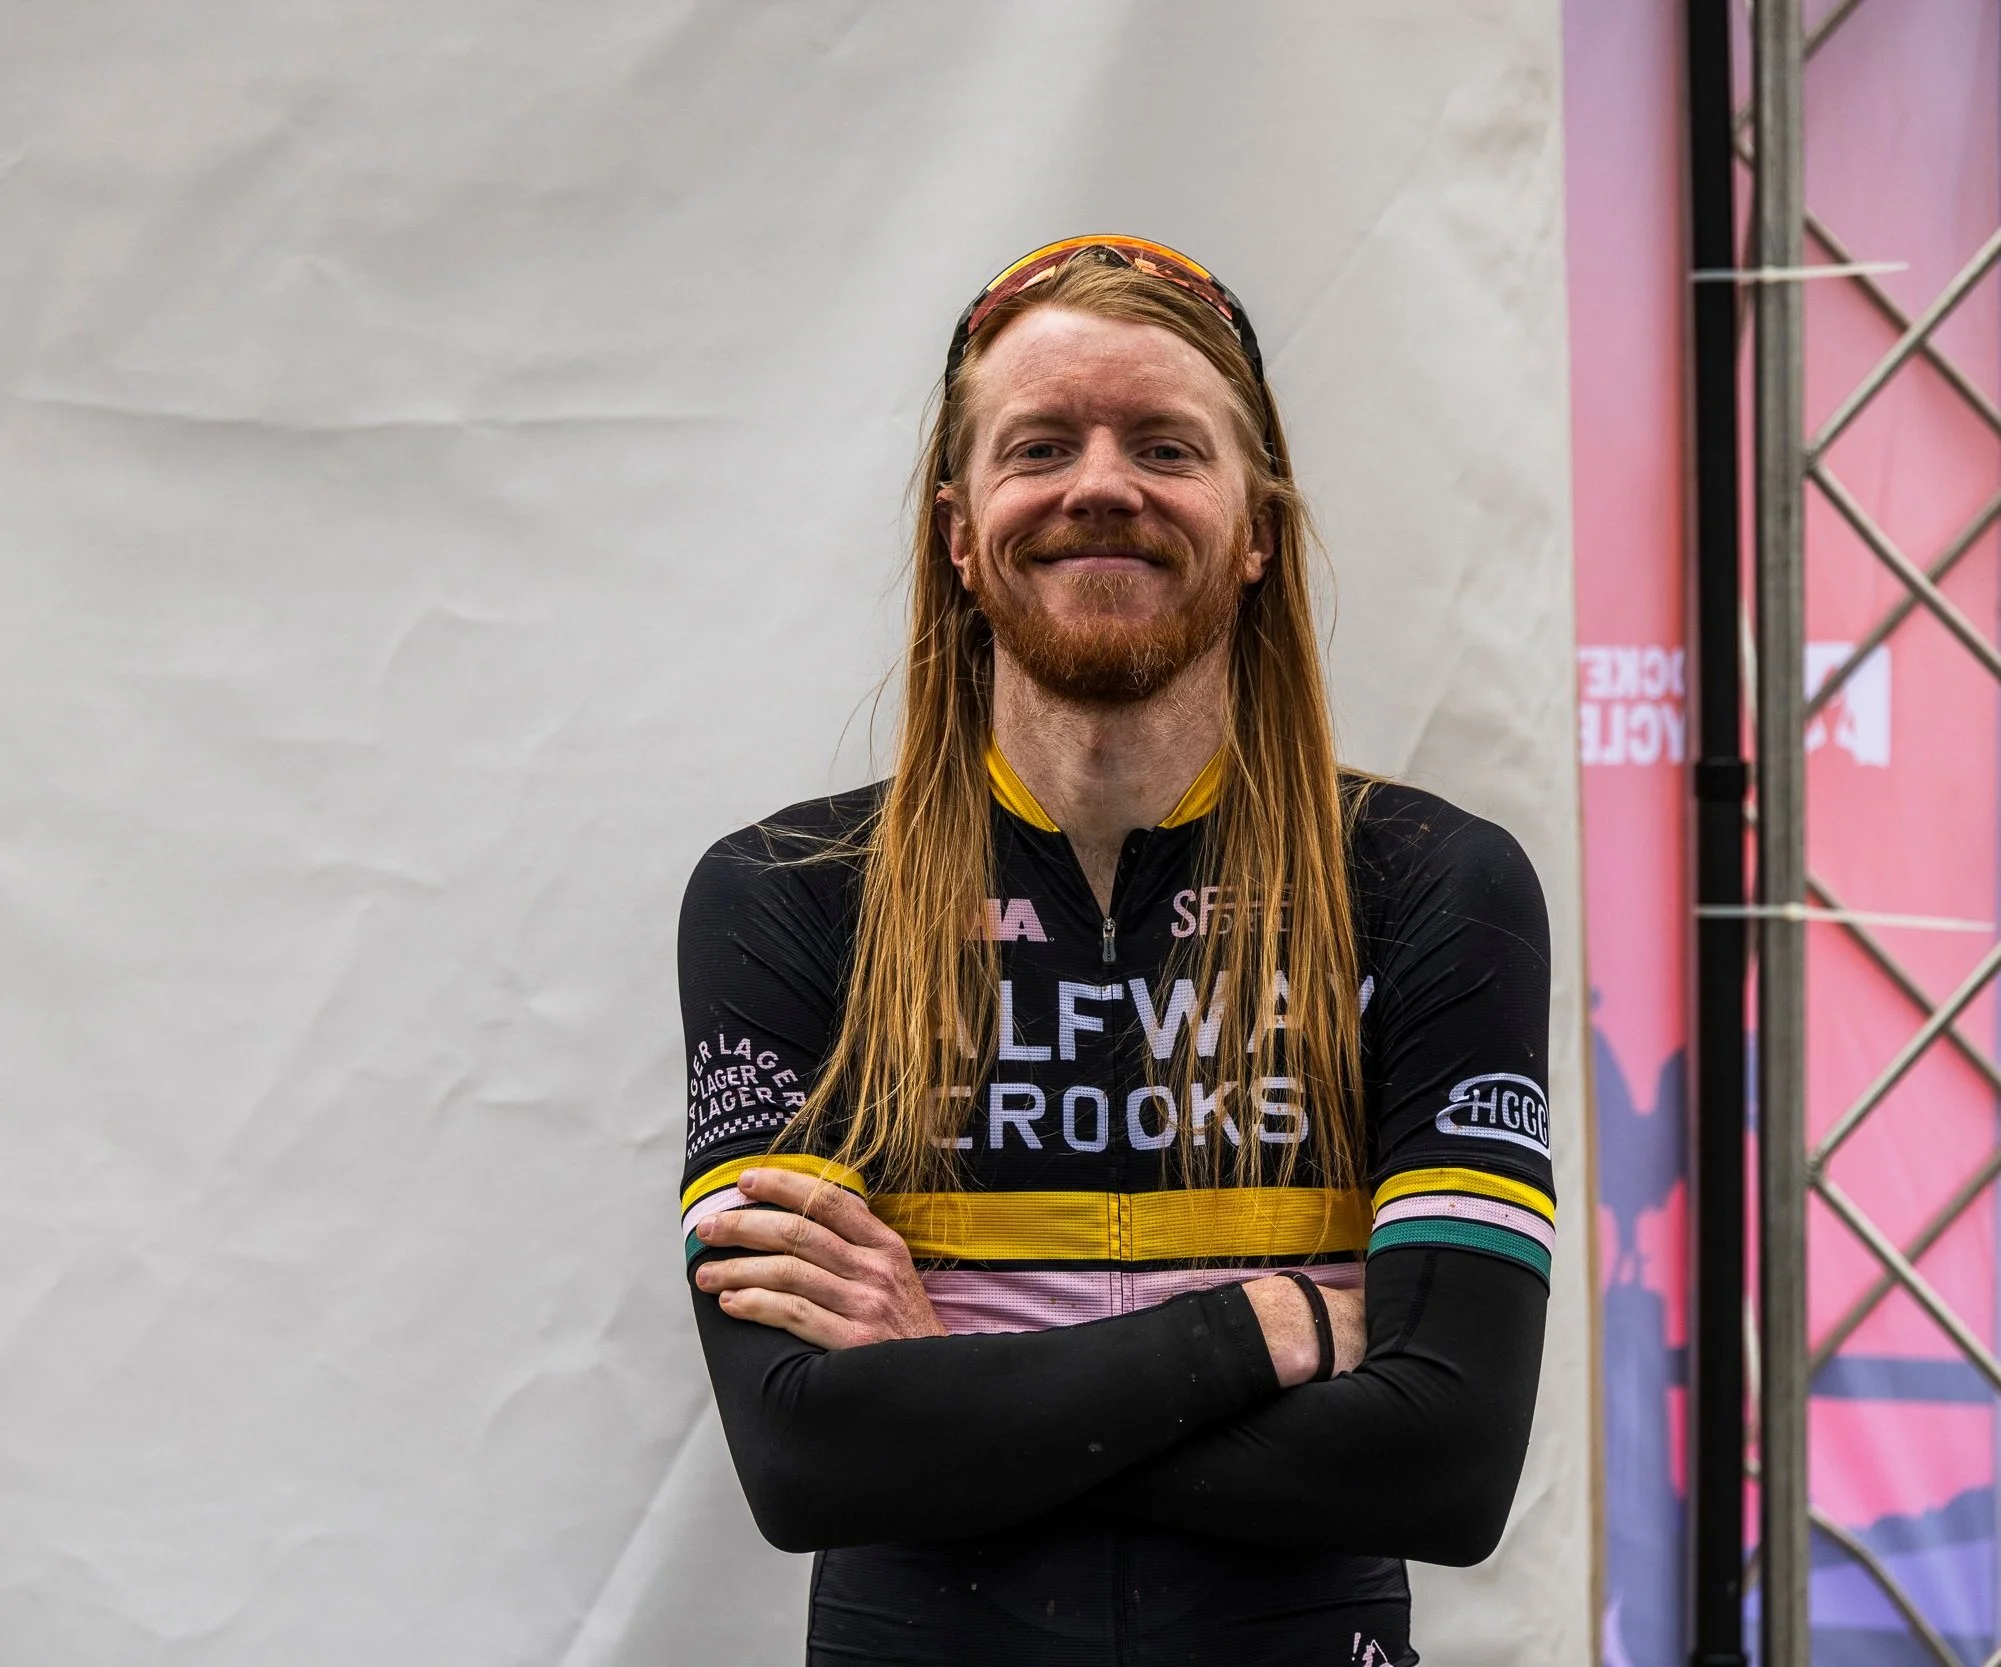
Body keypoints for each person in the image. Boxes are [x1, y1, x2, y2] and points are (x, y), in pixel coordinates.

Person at [678, 235, 1554, 1667]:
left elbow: (1447, 1466)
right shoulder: (787, 896)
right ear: (959, 531)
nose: (1101, 484)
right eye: (1041, 445)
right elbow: (804, 1462)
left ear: (1256, 526)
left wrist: (945, 1396)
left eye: (1165, 444)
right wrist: (1267, 1325)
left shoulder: (1429, 885)